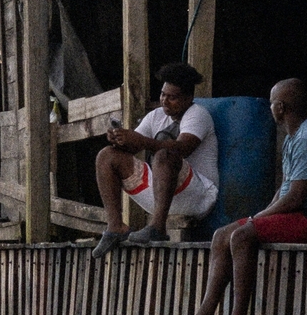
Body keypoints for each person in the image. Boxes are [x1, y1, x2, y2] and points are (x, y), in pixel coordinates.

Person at [169, 78, 307, 315]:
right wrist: (261, 215)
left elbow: (296, 198)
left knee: (242, 236)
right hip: (303, 213)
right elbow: (284, 189)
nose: (270, 109)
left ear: (280, 107)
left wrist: (257, 220)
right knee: (222, 235)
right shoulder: (293, 138)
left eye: (271, 103)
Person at [90, 62, 218, 256]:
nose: (165, 101)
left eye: (172, 97)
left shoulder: (198, 114)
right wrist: (120, 140)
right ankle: (115, 227)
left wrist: (141, 140)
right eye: (162, 95)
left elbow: (183, 148)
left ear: (188, 98)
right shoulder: (156, 115)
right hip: (161, 194)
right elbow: (135, 145)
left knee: (164, 155)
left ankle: (157, 228)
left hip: (197, 197)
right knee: (106, 155)